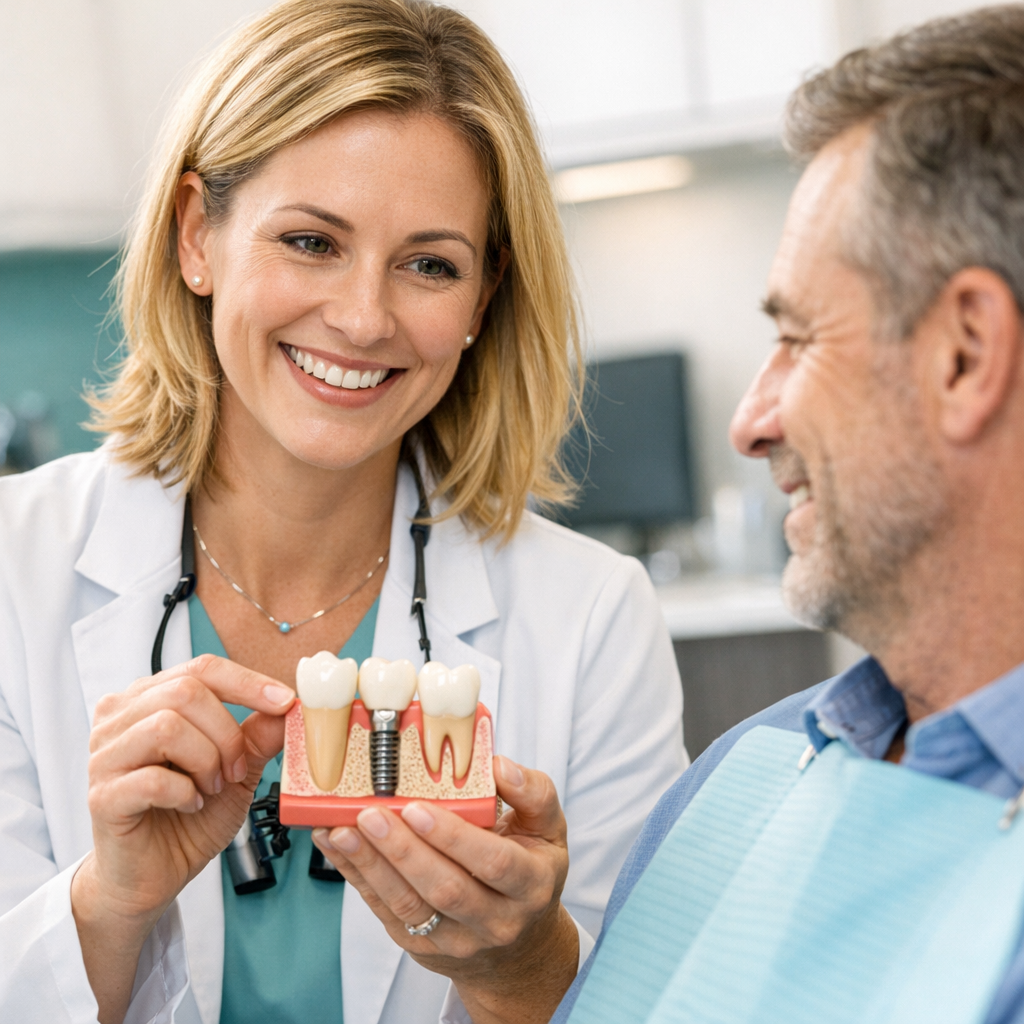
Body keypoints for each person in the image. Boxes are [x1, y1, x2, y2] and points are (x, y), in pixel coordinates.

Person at [309, 6, 1024, 1023]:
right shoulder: (749, 775)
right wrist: (515, 969)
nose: (749, 420)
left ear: (964, 353)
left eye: (797, 338)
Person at [0, 2, 688, 1022]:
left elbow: (660, 1004)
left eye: (429, 263)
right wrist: (108, 905)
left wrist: (524, 969)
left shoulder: (591, 614)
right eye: (312, 240)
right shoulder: (15, 568)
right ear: (198, 235)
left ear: (481, 298)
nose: (365, 317)